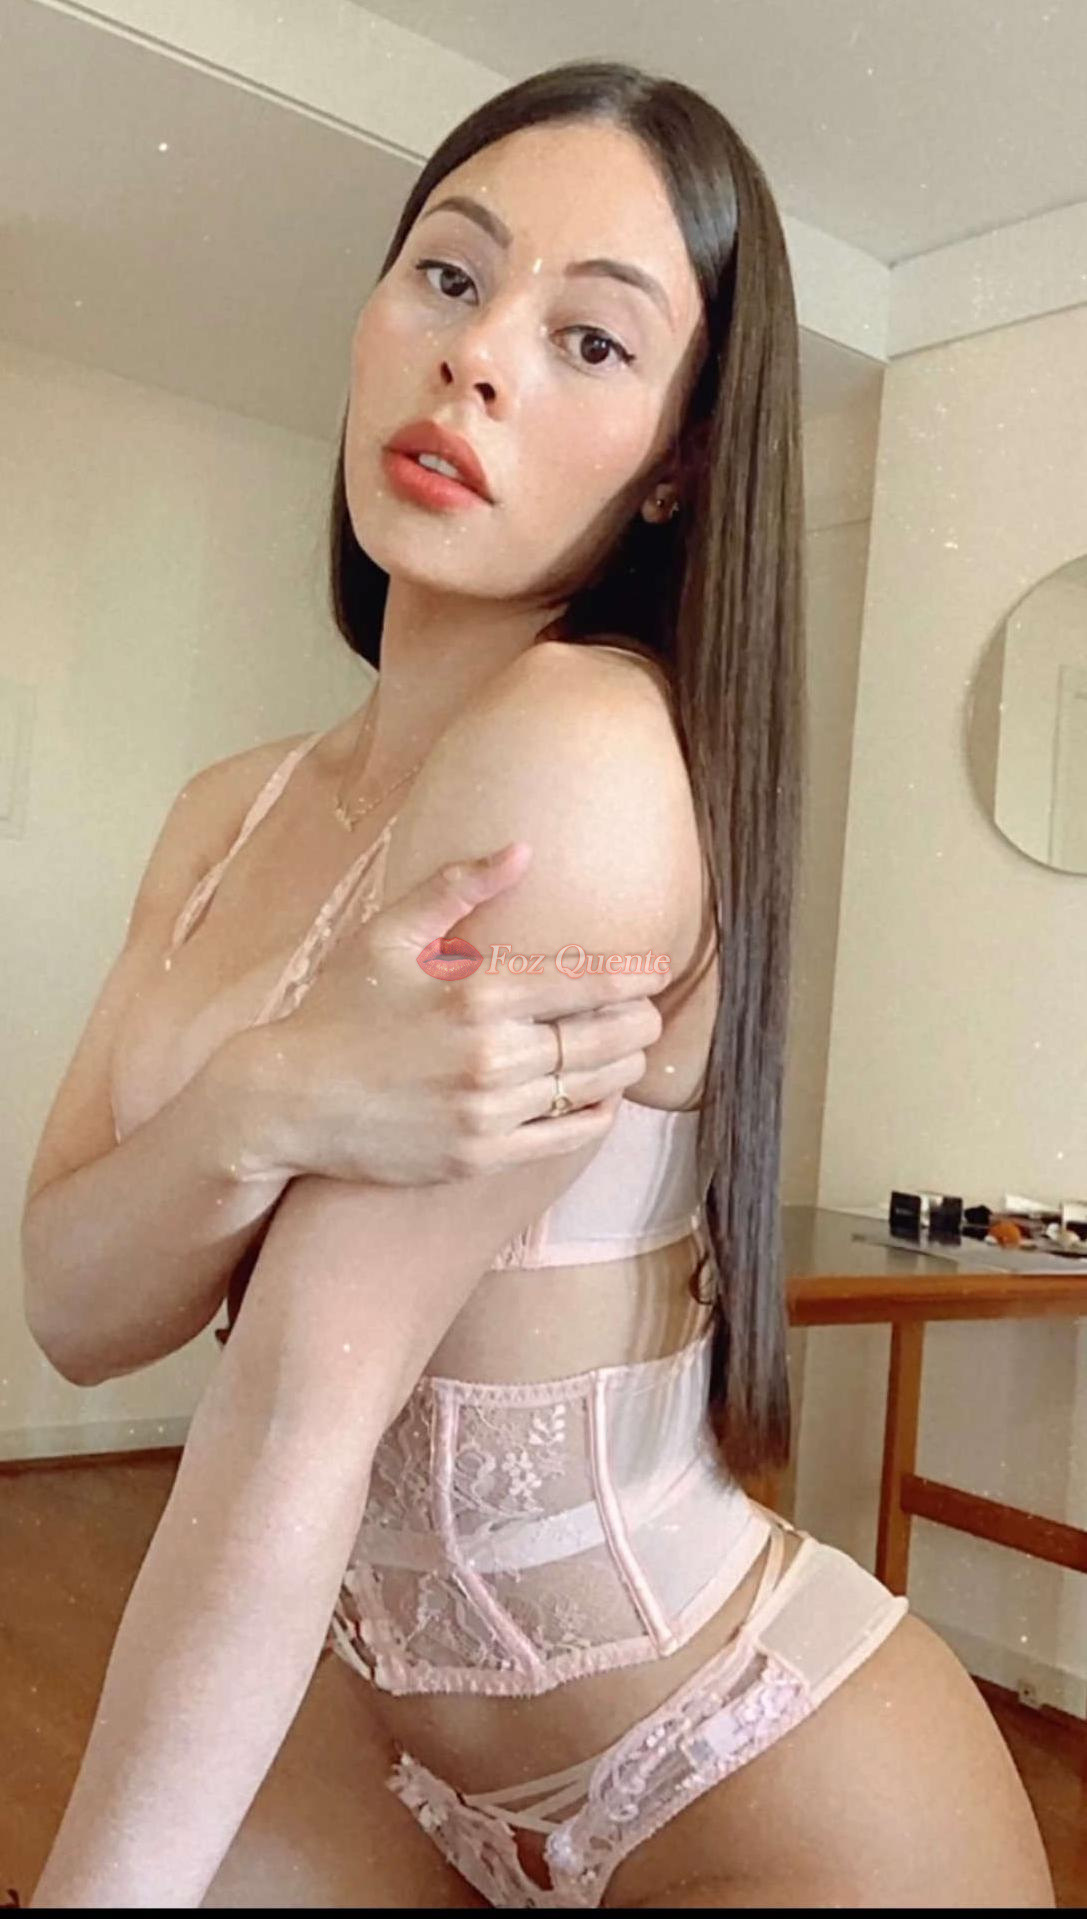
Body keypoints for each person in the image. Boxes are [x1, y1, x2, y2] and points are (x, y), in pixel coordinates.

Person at [21, 59, 1053, 1911]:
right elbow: (73, 1306)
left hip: (742, 1777)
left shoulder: (588, 750)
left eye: (591, 340)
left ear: (675, 465)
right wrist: (264, 1096)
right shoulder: (225, 814)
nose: (477, 357)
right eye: (450, 273)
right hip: (383, 1744)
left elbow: (293, 1415)